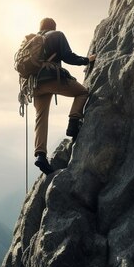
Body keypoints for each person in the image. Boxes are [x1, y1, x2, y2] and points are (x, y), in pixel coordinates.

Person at [33, 17, 96, 175]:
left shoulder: (33, 40)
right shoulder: (57, 35)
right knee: (82, 92)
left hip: (34, 85)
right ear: (53, 26)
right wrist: (86, 60)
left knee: (41, 117)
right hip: (51, 78)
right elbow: (68, 56)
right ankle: (73, 123)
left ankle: (40, 156)